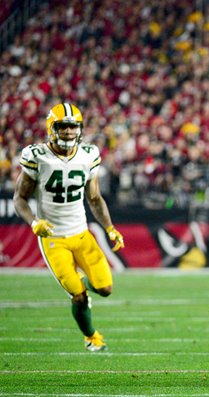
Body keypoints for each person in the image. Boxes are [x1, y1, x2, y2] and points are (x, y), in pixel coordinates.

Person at [13, 103, 124, 352]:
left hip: (81, 233)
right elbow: (19, 198)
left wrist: (109, 228)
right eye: (63, 127)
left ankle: (81, 280)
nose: (69, 132)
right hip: (53, 238)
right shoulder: (37, 156)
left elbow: (94, 198)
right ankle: (92, 337)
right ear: (52, 129)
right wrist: (34, 222)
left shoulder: (88, 155)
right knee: (79, 295)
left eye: (73, 127)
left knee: (105, 288)